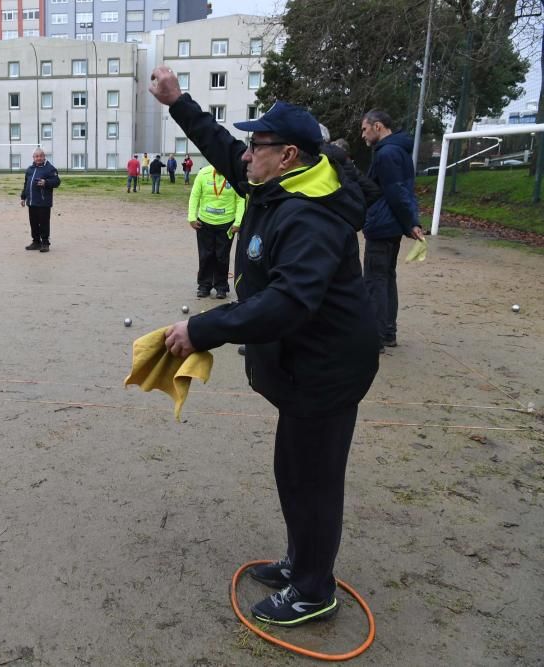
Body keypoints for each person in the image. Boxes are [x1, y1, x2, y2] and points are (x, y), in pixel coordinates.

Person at [150, 66, 380, 627]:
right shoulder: (276, 182)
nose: (248, 155)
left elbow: (287, 303)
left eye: (260, 146)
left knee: (313, 479)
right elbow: (223, 148)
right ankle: (300, 562)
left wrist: (201, 330)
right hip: (302, 367)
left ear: (291, 155)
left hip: (326, 370)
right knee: (292, 470)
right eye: (251, 145)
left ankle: (313, 588)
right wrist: (179, 102)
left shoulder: (313, 216)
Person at [360, 109, 424, 351]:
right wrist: (410, 222)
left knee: (375, 280)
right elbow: (402, 190)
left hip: (382, 224)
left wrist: (411, 222)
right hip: (391, 224)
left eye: (365, 129)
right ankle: (387, 332)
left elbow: (395, 191)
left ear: (378, 127)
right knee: (386, 278)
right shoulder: (398, 151)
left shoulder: (386, 153)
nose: (363, 135)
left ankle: (376, 336)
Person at [188, 163, 244, 299]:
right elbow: (195, 195)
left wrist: (238, 222)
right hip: (204, 223)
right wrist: (191, 217)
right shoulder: (203, 173)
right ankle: (204, 286)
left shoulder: (234, 176)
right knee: (205, 255)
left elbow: (241, 200)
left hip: (226, 224)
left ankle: (221, 287)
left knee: (222, 257)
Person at [20, 148, 61, 252]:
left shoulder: (50, 168)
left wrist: (46, 182)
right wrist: (23, 197)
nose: (39, 158)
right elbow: (26, 185)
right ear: (33, 158)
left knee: (44, 223)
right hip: (32, 202)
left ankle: (45, 243)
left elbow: (57, 181)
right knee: (33, 223)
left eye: (41, 156)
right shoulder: (30, 169)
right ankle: (36, 242)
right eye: (36, 156)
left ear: (44, 157)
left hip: (44, 202)